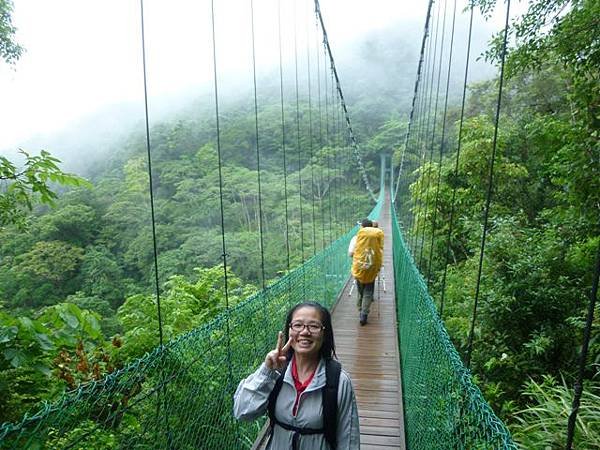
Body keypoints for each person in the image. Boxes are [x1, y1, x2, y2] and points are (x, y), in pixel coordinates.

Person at [233, 302, 360, 449]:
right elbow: (242, 412)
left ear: (324, 334)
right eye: (298, 325)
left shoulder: (339, 381)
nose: (305, 332)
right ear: (289, 330)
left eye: (314, 326)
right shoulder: (276, 372)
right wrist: (266, 372)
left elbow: (348, 438)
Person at [351, 218, 384, 325]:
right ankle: (364, 314)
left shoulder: (357, 238)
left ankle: (361, 309)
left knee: (361, 290)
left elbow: (351, 253)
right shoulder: (377, 236)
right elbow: (380, 250)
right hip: (372, 267)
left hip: (359, 267)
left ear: (362, 227)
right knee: (368, 291)